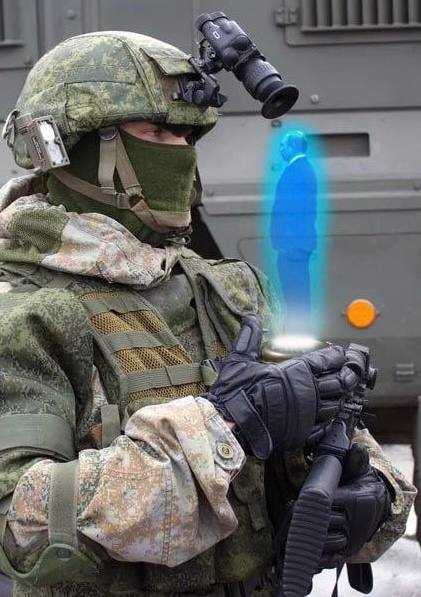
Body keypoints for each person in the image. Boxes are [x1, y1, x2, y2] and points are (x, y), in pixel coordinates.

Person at [0, 31, 415, 597]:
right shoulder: (27, 313)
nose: (179, 150)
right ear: (71, 147)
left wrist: (368, 494)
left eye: (186, 134)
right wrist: (228, 423)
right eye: (155, 132)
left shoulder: (231, 291)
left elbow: (337, 445)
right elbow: (21, 528)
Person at [270, 131, 317, 332]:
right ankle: (297, 330)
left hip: (293, 246)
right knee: (295, 292)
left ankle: (298, 333)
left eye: (283, 145)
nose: (280, 149)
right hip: (294, 245)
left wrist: (287, 243)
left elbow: (296, 211)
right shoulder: (300, 168)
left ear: (293, 147)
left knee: (296, 293)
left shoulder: (299, 171)